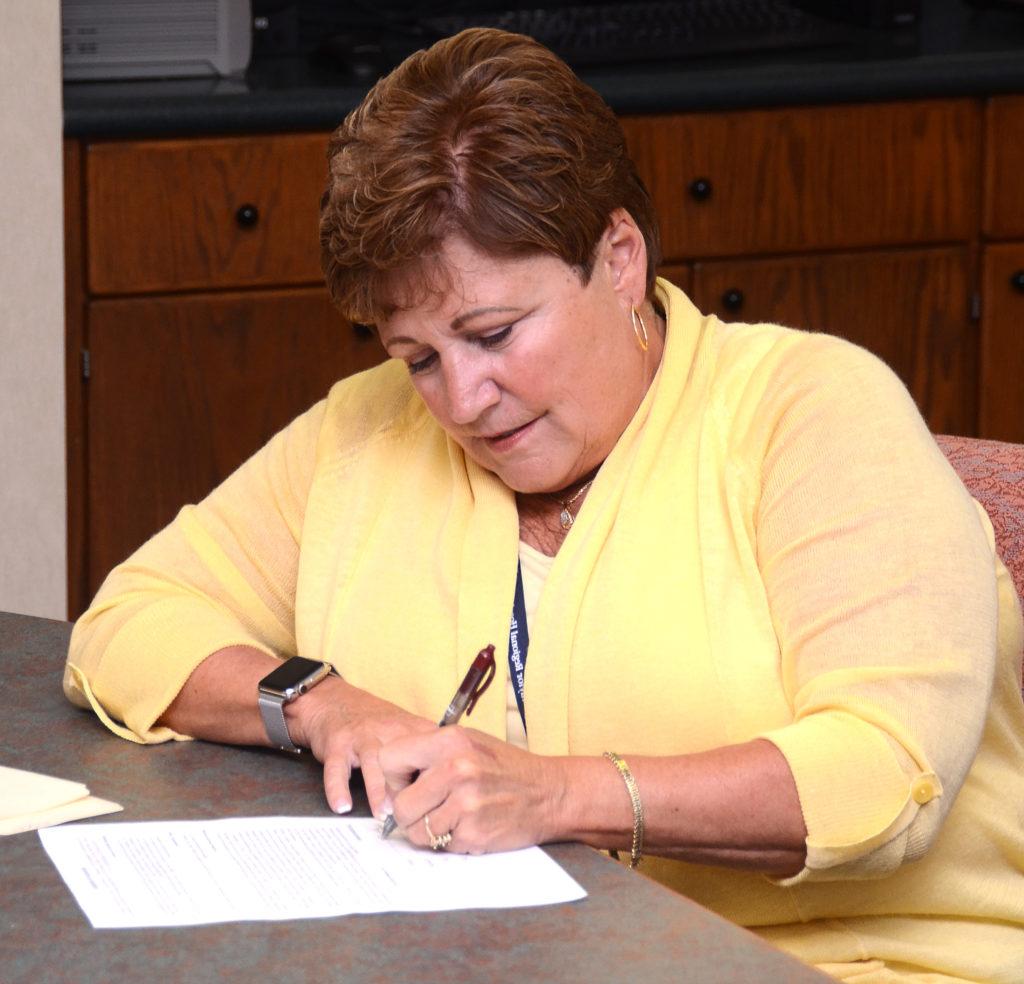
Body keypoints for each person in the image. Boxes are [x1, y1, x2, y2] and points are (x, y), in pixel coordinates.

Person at [65, 27, 1024, 983]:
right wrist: (320, 704)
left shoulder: (812, 411)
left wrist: (559, 796)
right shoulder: (368, 432)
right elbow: (128, 622)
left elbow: (886, 771)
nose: (462, 400)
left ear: (617, 258)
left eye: (495, 333)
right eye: (420, 357)